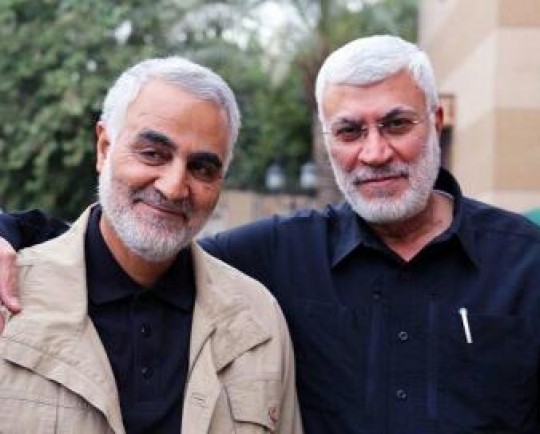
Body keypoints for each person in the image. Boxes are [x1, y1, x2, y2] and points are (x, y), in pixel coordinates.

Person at [1, 34, 540, 433]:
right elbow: (133, 239)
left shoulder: (528, 263)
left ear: (436, 122)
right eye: (350, 131)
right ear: (327, 142)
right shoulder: (278, 256)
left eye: (397, 124)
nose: (375, 152)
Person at [0, 56, 302, 433]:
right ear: (104, 148)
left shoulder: (258, 321)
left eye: (202, 168)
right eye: (153, 154)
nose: (174, 187)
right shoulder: (11, 300)